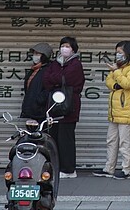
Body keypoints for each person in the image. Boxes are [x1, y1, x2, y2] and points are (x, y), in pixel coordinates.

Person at [93, 40, 130, 180]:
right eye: (117, 52)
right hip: (115, 112)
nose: (117, 55)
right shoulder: (120, 66)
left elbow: (127, 83)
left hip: (127, 110)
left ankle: (127, 170)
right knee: (111, 140)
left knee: (125, 142)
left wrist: (116, 72)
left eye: (120, 53)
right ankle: (109, 168)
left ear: (128, 53)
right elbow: (109, 81)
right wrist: (116, 84)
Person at [42, 37, 85, 179]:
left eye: (67, 46)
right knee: (53, 137)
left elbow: (66, 79)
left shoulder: (75, 64)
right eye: (62, 45)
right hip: (54, 107)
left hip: (69, 107)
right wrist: (59, 79)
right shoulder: (55, 63)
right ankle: (56, 166)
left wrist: (58, 79)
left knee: (66, 138)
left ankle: (69, 169)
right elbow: (46, 79)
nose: (64, 48)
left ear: (73, 49)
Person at [21, 42, 53, 122]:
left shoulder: (49, 70)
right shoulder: (34, 69)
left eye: (37, 54)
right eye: (34, 53)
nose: (34, 56)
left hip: (41, 112)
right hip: (32, 110)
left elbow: (49, 89)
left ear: (44, 56)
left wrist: (38, 101)